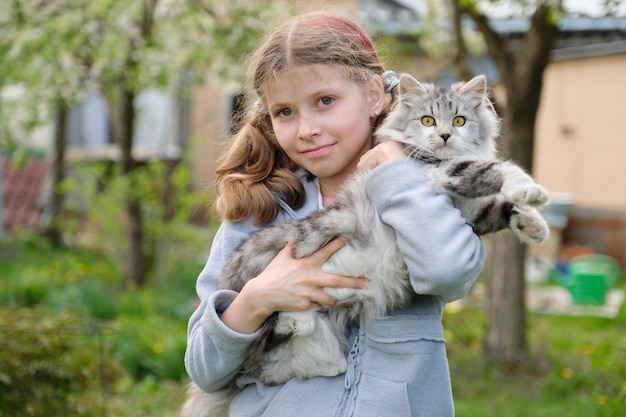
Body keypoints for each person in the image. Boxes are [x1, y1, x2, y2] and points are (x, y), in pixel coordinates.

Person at [185, 10, 485, 417]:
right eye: (285, 112)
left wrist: (396, 171)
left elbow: (448, 273)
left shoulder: (424, 192)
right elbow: (204, 370)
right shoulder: (260, 209)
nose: (306, 127)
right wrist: (255, 299)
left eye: (324, 101)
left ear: (374, 96)